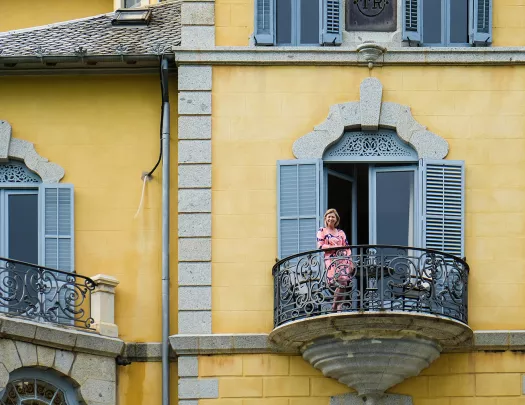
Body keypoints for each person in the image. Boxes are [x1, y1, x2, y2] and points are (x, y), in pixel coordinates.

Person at [316, 208, 354, 311]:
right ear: (326, 219)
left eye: (333, 216)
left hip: (342, 259)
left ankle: (338, 306)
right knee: (339, 281)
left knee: (344, 282)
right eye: (329, 216)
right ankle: (334, 306)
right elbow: (320, 246)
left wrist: (350, 261)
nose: (331, 218)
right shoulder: (322, 230)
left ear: (336, 219)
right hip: (331, 260)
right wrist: (332, 248)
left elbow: (347, 247)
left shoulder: (341, 232)